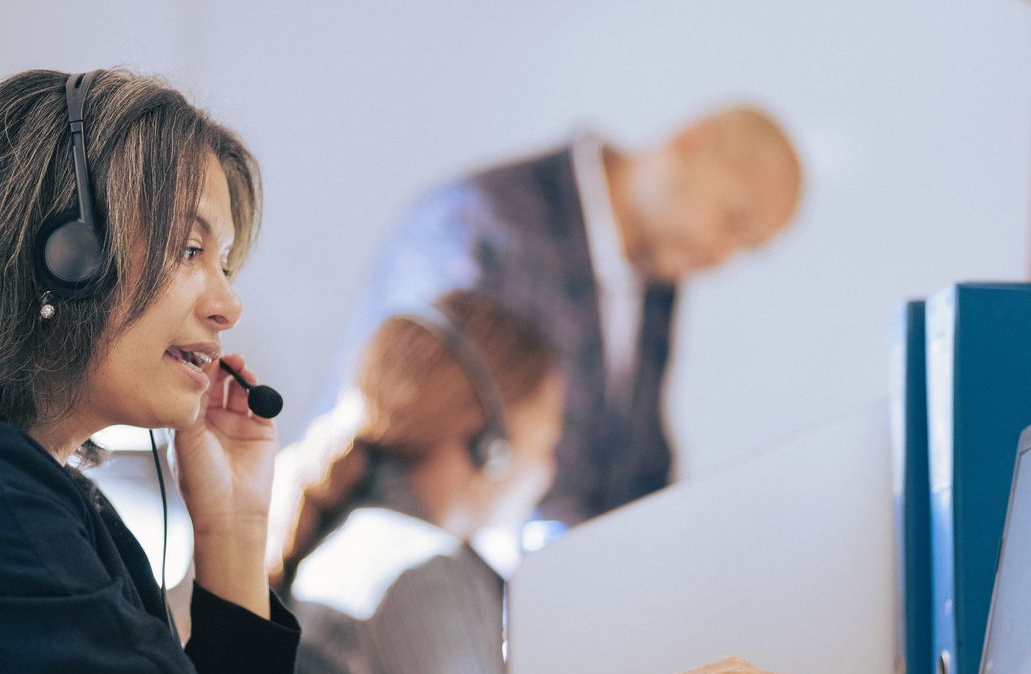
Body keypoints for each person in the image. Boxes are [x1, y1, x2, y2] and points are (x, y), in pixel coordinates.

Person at [0, 68, 872, 674]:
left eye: (223, 257)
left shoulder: (12, 487)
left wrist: (235, 530)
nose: (226, 298)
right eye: (189, 247)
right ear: (69, 251)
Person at [331, 106, 803, 525]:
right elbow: (425, 449)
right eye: (733, 220)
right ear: (689, 142)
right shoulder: (485, 223)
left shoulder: (659, 272)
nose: (723, 254)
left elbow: (637, 464)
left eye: (746, 248)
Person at [280, 289, 563, 674]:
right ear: (493, 445)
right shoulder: (421, 574)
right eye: (548, 444)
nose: (549, 473)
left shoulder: (350, 537)